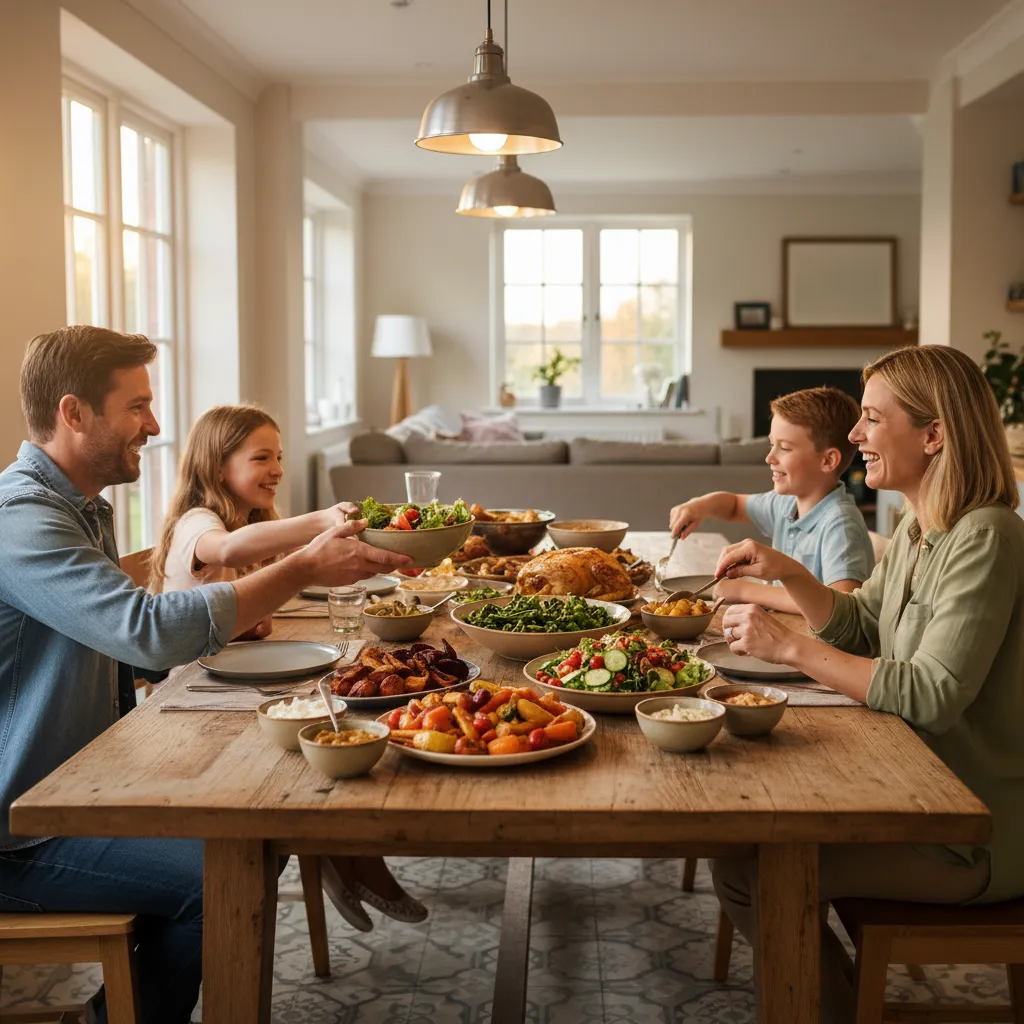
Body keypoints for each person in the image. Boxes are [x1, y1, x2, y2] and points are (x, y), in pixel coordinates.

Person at [0, 326, 411, 1024]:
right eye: (136, 407)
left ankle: (119, 1011)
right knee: (225, 876)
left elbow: (136, 653)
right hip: (20, 833)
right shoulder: (21, 520)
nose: (155, 426)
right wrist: (305, 567)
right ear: (73, 413)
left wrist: (218, 622)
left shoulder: (78, 509)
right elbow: (146, 631)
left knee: (257, 832)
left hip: (81, 788)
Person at [710, 346, 1024, 1023]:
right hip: (916, 787)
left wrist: (790, 645)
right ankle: (837, 1002)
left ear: (934, 435)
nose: (854, 436)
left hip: (969, 833)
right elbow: (860, 623)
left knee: (747, 868)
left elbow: (934, 692)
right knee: (739, 848)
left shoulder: (987, 536)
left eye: (873, 420)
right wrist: (787, 571)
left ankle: (830, 1007)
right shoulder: (920, 524)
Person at [153, 403, 427, 932]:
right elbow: (229, 549)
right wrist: (321, 521)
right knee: (331, 736)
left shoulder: (255, 520)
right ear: (217, 469)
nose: (277, 468)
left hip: (239, 685)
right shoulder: (199, 524)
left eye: (279, 455)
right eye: (261, 457)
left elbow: (271, 586)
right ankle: (344, 862)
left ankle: (345, 860)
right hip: (194, 709)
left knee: (344, 725)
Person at [668, 386, 874, 613]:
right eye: (771, 444)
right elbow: (734, 506)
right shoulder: (785, 504)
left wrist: (746, 592)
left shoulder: (840, 524)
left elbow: (841, 605)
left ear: (828, 460)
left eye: (784, 448)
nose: (769, 457)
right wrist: (700, 505)